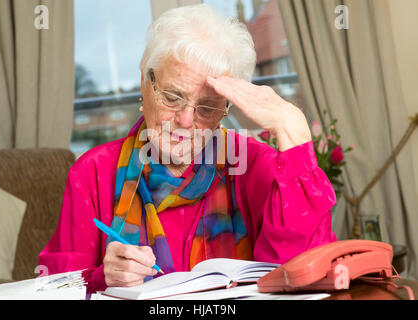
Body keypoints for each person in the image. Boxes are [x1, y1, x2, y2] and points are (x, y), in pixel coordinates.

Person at [39, 4, 337, 294]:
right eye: (172, 97)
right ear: (145, 83)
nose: (185, 120)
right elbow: (54, 287)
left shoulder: (253, 163)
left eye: (207, 107)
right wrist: (101, 277)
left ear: (225, 108)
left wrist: (293, 130)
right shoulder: (92, 172)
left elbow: (304, 271)